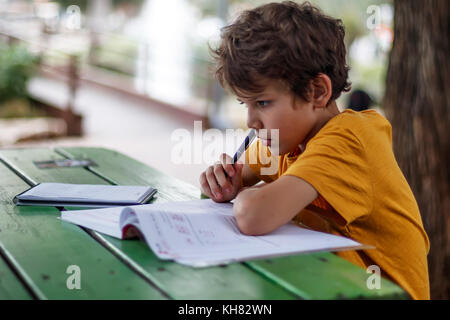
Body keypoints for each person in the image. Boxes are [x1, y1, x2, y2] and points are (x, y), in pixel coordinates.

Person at [199, 1, 429, 299]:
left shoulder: (349, 139)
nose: (251, 121)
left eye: (263, 103)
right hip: (325, 285)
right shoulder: (283, 140)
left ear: (317, 92)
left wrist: (247, 197)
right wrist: (223, 183)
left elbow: (253, 217)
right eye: (246, 104)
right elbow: (234, 180)